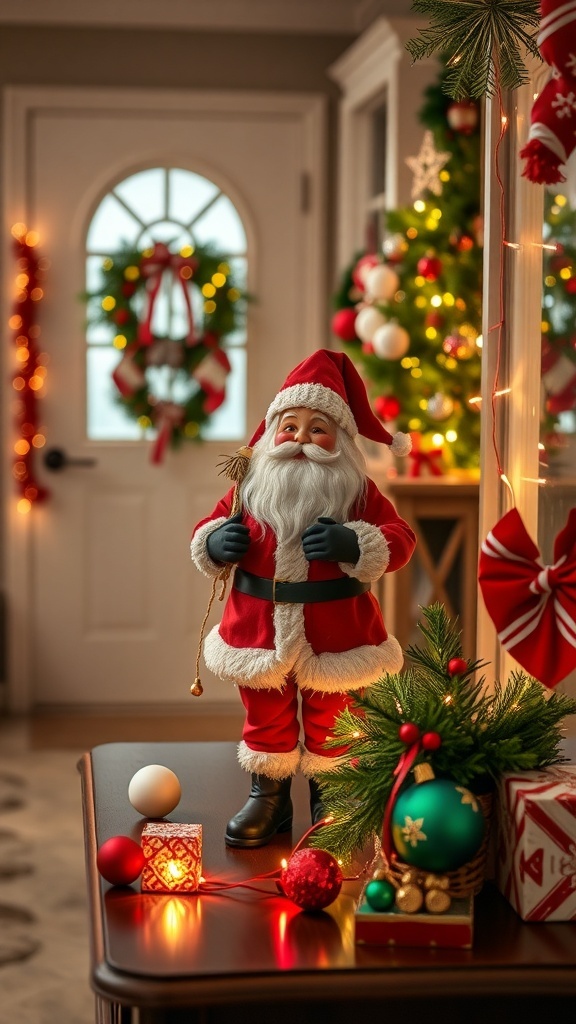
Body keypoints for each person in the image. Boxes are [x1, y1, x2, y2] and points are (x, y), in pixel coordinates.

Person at [191, 349, 416, 847]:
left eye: (318, 428)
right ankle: (267, 797)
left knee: (335, 718)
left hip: (337, 632)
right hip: (257, 628)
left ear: (340, 440)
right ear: (272, 433)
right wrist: (213, 542)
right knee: (264, 714)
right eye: (289, 426)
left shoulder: (358, 492)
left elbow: (400, 539)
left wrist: (356, 543)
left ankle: (330, 797)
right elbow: (206, 528)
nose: (300, 439)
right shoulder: (248, 488)